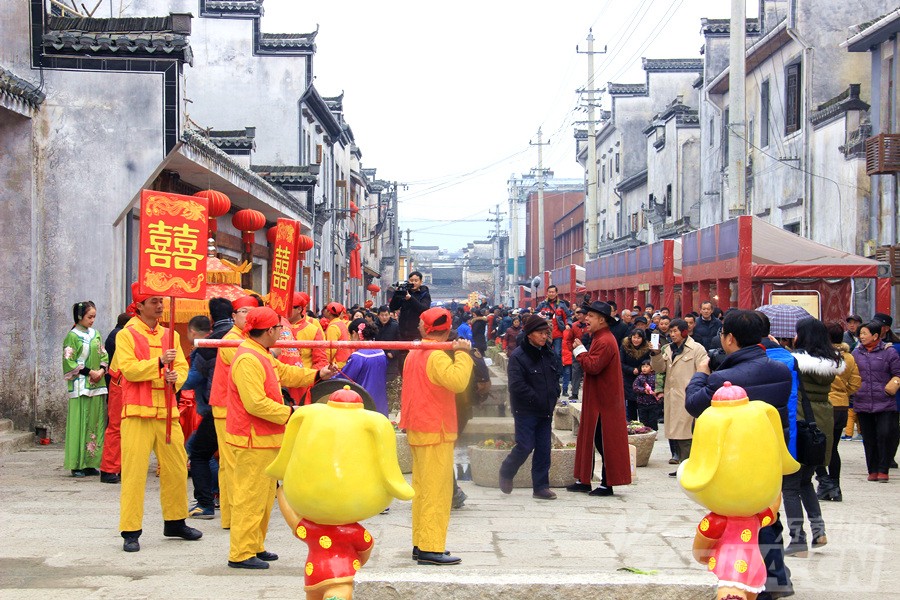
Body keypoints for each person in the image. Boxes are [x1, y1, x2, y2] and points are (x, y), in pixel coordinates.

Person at [684, 309, 795, 599]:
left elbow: (695, 405)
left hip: (737, 461)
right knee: (767, 516)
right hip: (770, 456)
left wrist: (701, 373)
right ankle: (776, 578)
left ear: (730, 338)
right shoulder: (781, 370)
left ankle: (745, 583)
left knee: (741, 517)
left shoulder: (723, 377)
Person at [225, 306, 334, 569]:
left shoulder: (260, 353)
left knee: (262, 499)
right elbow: (255, 404)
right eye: (278, 328)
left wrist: (317, 374)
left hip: (265, 439)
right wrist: (292, 412)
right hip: (250, 439)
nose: (282, 333)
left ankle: (254, 546)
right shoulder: (248, 358)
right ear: (270, 330)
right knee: (249, 498)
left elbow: (286, 374)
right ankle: (241, 553)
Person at [112, 283, 198, 553]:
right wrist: (160, 364)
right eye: (153, 301)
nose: (160, 306)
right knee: (135, 473)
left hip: (167, 412)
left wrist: (177, 377)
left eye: (161, 301)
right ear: (139, 305)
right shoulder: (126, 335)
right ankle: (131, 530)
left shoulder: (170, 334)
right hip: (137, 412)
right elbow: (129, 370)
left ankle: (175, 521)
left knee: (176, 469)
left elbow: (183, 366)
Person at [399, 307, 473, 565]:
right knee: (436, 491)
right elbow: (458, 382)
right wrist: (463, 354)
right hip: (435, 429)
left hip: (419, 427)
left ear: (426, 328)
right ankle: (431, 547)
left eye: (420, 322)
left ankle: (421, 543)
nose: (418, 325)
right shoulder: (436, 356)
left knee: (422, 489)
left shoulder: (414, 353)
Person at [783, 317, 841, 557]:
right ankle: (819, 531)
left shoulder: (796, 361)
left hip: (801, 423)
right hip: (822, 423)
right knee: (806, 481)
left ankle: (798, 540)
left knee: (790, 486)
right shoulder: (832, 363)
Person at [567, 301, 632, 496]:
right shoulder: (599, 337)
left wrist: (579, 351)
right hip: (598, 397)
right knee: (592, 438)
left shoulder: (605, 340)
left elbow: (593, 366)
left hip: (605, 400)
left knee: (604, 441)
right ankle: (585, 480)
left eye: (591, 317)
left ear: (602, 320)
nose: (586, 319)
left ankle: (607, 483)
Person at [208, 294, 259, 530]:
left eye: (252, 312)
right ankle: (232, 516)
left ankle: (232, 516)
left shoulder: (247, 338)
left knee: (233, 463)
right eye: (244, 312)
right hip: (226, 406)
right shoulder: (232, 340)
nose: (248, 316)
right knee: (230, 463)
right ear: (233, 316)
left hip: (237, 406)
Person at [500, 315, 559, 500]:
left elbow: (554, 377)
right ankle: (507, 471)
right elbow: (516, 385)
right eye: (540, 333)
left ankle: (541, 486)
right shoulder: (518, 356)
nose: (544, 337)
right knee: (525, 445)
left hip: (546, 410)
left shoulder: (548, 353)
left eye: (546, 333)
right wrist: (536, 399)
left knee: (543, 448)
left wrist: (555, 393)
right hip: (526, 410)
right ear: (529, 334)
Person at [184, 298, 232, 521]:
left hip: (218, 407)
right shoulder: (245, 339)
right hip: (243, 406)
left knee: (198, 451)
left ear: (211, 317)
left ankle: (207, 502)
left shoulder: (209, 344)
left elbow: (194, 378)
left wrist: (171, 380)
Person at [650, 318, 707, 471]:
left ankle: (688, 466)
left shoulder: (697, 349)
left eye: (675, 331)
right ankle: (682, 465)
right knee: (675, 431)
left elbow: (704, 370)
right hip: (672, 395)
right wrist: (655, 354)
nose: (672, 334)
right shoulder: (668, 349)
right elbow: (660, 368)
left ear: (684, 332)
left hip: (688, 394)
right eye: (671, 331)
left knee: (687, 432)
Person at [815, 322, 861, 502]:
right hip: (842, 406)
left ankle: (825, 482)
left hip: (824, 406)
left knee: (818, 447)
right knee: (833, 448)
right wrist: (843, 393)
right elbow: (856, 383)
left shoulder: (820, 356)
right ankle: (835, 487)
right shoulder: (848, 357)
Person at [63, 301, 109, 478]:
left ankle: (91, 462)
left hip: (97, 384)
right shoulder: (72, 336)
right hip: (80, 384)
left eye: (94, 317)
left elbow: (103, 354)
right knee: (80, 422)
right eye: (89, 317)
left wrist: (102, 370)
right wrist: (90, 372)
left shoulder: (96, 334)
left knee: (95, 423)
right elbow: (69, 361)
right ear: (80, 317)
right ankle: (77, 464)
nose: (92, 320)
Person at [851, 320, 900, 482]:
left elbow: (897, 373)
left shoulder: (889, 352)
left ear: (876, 335)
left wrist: (892, 385)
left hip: (885, 402)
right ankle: (872, 470)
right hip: (863, 401)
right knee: (869, 438)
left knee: (884, 435)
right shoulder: (856, 353)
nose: (861, 337)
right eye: (860, 334)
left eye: (864, 333)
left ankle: (883, 469)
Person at [100, 311, 130, 484]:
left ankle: (118, 466)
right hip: (120, 381)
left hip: (125, 381)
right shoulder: (124, 334)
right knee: (116, 426)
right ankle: (110, 468)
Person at [339, 319, 389, 416]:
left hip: (364, 402)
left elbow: (343, 378)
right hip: (380, 401)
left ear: (354, 334)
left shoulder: (358, 356)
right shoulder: (381, 351)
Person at [284, 292, 327, 405]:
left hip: (301, 384)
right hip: (279, 380)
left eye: (288, 307)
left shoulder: (312, 329)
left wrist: (311, 378)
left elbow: (321, 360)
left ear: (299, 309)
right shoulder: (275, 327)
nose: (283, 310)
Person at [389, 271, 432, 341]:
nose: (413, 283)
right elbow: (393, 307)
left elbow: (424, 309)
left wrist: (410, 298)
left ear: (421, 282)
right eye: (411, 280)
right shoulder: (405, 292)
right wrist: (397, 294)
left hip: (417, 332)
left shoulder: (424, 294)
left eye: (416, 281)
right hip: (403, 332)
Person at [620, 329, 651, 423]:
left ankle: (645, 425)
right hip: (629, 378)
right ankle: (632, 424)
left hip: (644, 377)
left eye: (639, 338)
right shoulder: (625, 347)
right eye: (634, 337)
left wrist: (640, 369)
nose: (636, 340)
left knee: (643, 404)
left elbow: (649, 361)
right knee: (631, 403)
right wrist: (631, 370)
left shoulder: (647, 348)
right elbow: (621, 363)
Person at [568, 307, 590, 400]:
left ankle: (588, 394)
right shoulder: (574, 326)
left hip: (588, 352)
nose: (578, 316)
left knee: (588, 374)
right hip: (576, 353)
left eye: (580, 314)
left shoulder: (590, 326)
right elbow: (568, 340)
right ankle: (574, 393)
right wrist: (572, 349)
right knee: (576, 372)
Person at [632, 360, 661, 431]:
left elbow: (659, 386)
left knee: (653, 419)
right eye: (643, 367)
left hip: (653, 402)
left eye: (646, 366)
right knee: (643, 419)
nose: (644, 368)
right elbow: (635, 387)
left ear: (652, 368)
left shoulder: (656, 377)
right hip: (642, 403)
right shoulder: (639, 377)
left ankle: (654, 431)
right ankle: (644, 431)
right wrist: (643, 390)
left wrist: (656, 392)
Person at [323, 302, 352, 368]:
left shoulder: (333, 327)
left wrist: (324, 362)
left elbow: (331, 349)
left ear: (329, 312)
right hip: (344, 361)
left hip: (337, 364)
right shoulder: (341, 323)